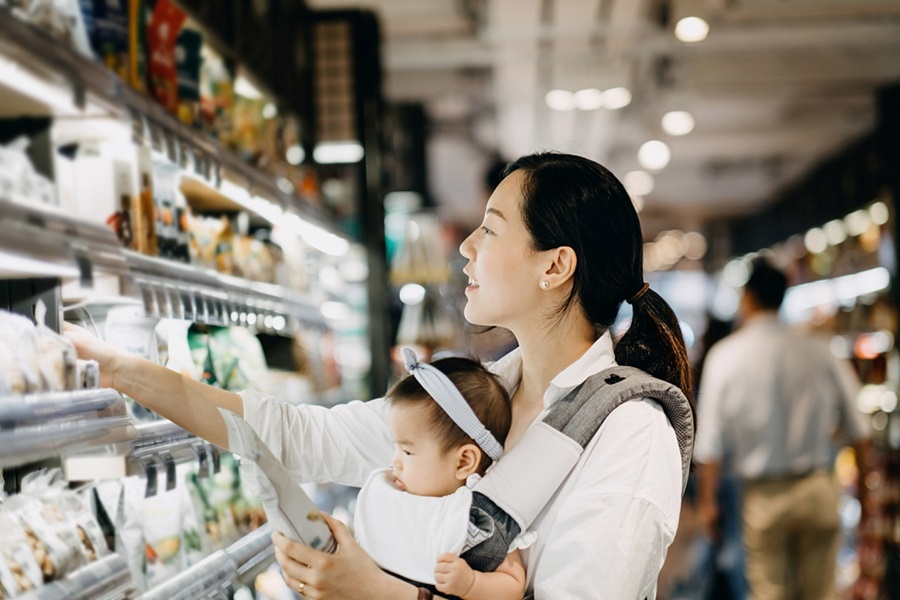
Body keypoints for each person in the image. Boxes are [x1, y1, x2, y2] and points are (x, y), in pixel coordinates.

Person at [66, 151, 695, 599]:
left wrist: (382, 593)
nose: (466, 247)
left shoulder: (630, 434)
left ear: (555, 266)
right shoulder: (475, 397)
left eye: (491, 230)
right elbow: (300, 436)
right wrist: (121, 369)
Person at [693, 258, 868, 600]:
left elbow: (710, 443)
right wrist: (866, 494)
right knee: (821, 593)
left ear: (747, 298)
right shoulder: (820, 348)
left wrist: (707, 503)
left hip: (764, 495)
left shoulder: (726, 355)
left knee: (769, 592)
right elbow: (859, 428)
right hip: (818, 487)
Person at [354, 347, 524, 599]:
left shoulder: (478, 519)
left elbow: (514, 583)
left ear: (464, 461)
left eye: (408, 452)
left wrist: (471, 583)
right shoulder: (394, 497)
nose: (395, 462)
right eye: (396, 447)